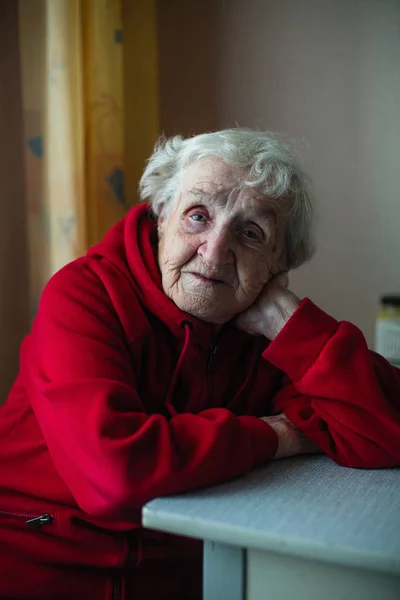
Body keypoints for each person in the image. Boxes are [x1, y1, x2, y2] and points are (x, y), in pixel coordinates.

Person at [1, 129, 399, 600]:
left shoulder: (266, 335)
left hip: (185, 577)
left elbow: (384, 432)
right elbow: (112, 476)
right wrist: (277, 436)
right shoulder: (84, 295)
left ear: (279, 264)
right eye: (197, 216)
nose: (213, 252)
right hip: (39, 563)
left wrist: (288, 322)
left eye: (251, 233)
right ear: (162, 216)